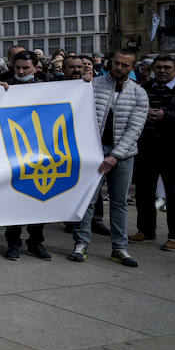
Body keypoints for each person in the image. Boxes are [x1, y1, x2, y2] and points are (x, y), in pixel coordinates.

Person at [72, 50, 149, 266]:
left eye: (125, 65)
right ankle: (81, 243)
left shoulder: (139, 93)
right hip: (93, 152)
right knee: (87, 199)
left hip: (122, 155)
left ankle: (120, 248)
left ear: (132, 68)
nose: (119, 68)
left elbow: (135, 129)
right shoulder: (93, 85)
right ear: (111, 63)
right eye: (116, 63)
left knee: (119, 202)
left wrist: (115, 155)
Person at [0, 53, 52, 261]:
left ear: (36, 67)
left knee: (39, 198)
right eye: (17, 68)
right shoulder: (3, 86)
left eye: (26, 68)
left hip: (40, 150)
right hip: (11, 150)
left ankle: (36, 242)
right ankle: (13, 242)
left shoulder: (48, 87)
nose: (20, 72)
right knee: (15, 199)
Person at [131, 54, 175, 251]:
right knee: (144, 193)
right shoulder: (144, 88)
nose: (162, 71)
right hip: (147, 149)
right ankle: (146, 231)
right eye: (158, 67)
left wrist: (165, 115)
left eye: (167, 67)